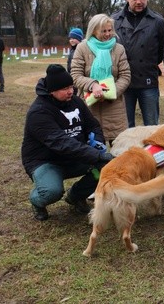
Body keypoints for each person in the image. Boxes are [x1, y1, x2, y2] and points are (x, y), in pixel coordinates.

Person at [21, 64, 114, 221]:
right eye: (65, 88)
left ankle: (75, 196)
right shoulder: (38, 112)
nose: (70, 91)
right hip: (45, 161)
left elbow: (93, 125)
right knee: (52, 191)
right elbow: (61, 143)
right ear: (52, 91)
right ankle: (37, 200)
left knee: (105, 169)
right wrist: (96, 155)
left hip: (74, 156)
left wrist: (97, 142)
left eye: (71, 86)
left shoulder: (76, 101)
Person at [112, 0, 164, 126]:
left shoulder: (158, 21)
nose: (138, 2)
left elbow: (163, 50)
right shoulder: (114, 20)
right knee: (125, 126)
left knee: (152, 125)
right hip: (123, 82)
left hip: (148, 81)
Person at [71, 14, 131, 144]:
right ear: (93, 30)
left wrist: (109, 92)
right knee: (93, 148)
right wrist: (93, 85)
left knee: (118, 151)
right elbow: (75, 75)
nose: (108, 34)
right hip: (89, 106)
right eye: (104, 31)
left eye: (110, 30)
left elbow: (125, 76)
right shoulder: (82, 48)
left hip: (114, 108)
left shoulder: (119, 49)